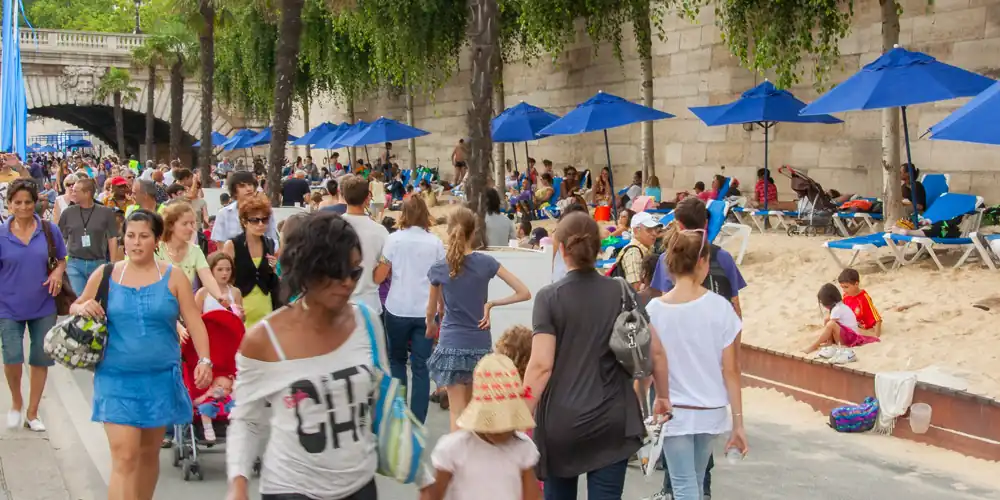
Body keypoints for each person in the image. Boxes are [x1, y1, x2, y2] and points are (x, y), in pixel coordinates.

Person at [226, 212, 428, 500]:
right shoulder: (264, 339)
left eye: (354, 272)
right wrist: (238, 484)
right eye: (336, 271)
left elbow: (384, 402)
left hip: (360, 487)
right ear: (308, 270)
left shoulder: (367, 322)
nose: (347, 282)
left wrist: (424, 476)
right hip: (291, 490)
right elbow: (247, 419)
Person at [523, 212, 671, 499]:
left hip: (561, 422)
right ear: (598, 249)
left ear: (562, 250)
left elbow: (541, 366)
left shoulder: (549, 298)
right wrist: (662, 396)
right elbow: (655, 350)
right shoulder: (621, 291)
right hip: (612, 420)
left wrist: (520, 412)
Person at [69, 209, 212, 500]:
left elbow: (194, 321)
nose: (135, 242)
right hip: (115, 378)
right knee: (124, 456)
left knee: (148, 455)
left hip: (160, 379)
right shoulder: (106, 273)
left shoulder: (173, 277)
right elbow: (76, 304)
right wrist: (82, 307)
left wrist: (205, 359)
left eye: (144, 236)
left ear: (157, 240)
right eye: (130, 236)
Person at [646, 228, 749, 500]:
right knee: (696, 479)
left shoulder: (654, 310)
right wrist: (738, 423)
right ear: (702, 262)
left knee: (683, 484)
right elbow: (731, 370)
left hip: (673, 410)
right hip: (710, 410)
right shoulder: (721, 308)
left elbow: (647, 367)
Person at [427, 207, 531, 431]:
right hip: (479, 345)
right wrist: (492, 304)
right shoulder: (486, 263)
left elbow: (432, 311)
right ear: (474, 232)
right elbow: (524, 292)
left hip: (451, 343)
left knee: (456, 412)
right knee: (476, 411)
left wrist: (430, 325)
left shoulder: (439, 268)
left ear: (449, 230)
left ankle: (457, 453)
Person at [427, 354, 542, 500]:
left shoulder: (523, 448)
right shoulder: (454, 448)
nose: (501, 430)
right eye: (495, 422)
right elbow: (434, 495)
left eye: (506, 422)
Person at [0, 179, 65, 431]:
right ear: (9, 204)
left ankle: (33, 412)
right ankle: (16, 402)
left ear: (35, 202)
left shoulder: (48, 230)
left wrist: (57, 272)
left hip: (43, 304)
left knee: (40, 358)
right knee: (12, 357)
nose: (24, 207)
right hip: (7, 306)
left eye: (28, 202)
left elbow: (61, 258)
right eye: (18, 202)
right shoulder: (2, 234)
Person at [372, 196, 443, 424]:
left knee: (397, 361)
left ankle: (399, 416)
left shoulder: (393, 240)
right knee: (421, 367)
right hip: (426, 311)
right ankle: (417, 421)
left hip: (397, 308)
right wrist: (441, 310)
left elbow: (379, 276)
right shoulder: (435, 243)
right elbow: (441, 281)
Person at [223, 194, 280, 329]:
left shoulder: (270, 244)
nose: (260, 224)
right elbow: (224, 278)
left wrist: (273, 269)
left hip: (265, 306)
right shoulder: (232, 245)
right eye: (255, 220)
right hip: (241, 307)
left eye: (264, 220)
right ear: (244, 221)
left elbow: (271, 279)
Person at [155, 202, 228, 305]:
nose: (191, 228)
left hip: (185, 307)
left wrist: (219, 296)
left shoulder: (195, 251)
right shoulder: (156, 249)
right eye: (185, 224)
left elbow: (207, 277)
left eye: (192, 223)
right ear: (171, 225)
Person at [59, 178, 121, 295]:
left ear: (87, 193)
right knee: (78, 298)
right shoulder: (68, 213)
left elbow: (112, 238)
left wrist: (112, 264)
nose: (72, 193)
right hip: (74, 263)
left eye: (76, 191)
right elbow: (62, 239)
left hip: (98, 263)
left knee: (97, 298)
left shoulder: (106, 212)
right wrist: (60, 264)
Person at [340, 174, 389, 314]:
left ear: (343, 196)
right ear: (367, 198)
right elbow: (379, 277)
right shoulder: (381, 232)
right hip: (370, 304)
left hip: (339, 304)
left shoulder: (332, 228)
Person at [805, 283, 880, 354]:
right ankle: (829, 342)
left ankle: (814, 345)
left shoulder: (837, 309)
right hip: (848, 335)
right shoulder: (839, 305)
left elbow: (831, 325)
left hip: (850, 339)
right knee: (828, 320)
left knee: (831, 324)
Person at [212, 171, 279, 243]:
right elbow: (220, 244)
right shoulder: (224, 213)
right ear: (234, 191)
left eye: (250, 184)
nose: (248, 189)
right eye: (242, 186)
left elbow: (273, 240)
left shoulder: (265, 210)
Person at [615, 212, 661, 291]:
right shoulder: (633, 253)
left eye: (655, 229)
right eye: (649, 230)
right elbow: (635, 288)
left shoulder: (648, 247)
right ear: (636, 231)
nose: (654, 233)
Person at [195, 252, 244, 318]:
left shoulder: (235, 292)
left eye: (228, 269)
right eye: (220, 269)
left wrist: (241, 315)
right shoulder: (202, 292)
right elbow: (194, 317)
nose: (225, 273)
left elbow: (240, 319)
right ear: (211, 270)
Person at [837, 268, 882, 338]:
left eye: (846, 287)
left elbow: (877, 318)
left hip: (862, 327)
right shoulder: (846, 296)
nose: (844, 290)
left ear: (856, 284)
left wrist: (876, 334)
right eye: (842, 287)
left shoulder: (864, 298)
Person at [193, 376, 234, 443]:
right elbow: (194, 403)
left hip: (224, 409)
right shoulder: (208, 396)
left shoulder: (227, 398)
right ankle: (208, 430)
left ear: (229, 392)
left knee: (235, 404)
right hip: (210, 410)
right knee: (205, 407)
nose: (222, 389)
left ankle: (234, 426)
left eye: (226, 388)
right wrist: (206, 395)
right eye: (219, 386)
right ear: (211, 387)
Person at [0, 153, 29, 220]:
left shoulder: (17, 174)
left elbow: (29, 183)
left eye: (5, 159)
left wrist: (18, 165)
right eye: (1, 159)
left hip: (13, 212)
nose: (2, 161)